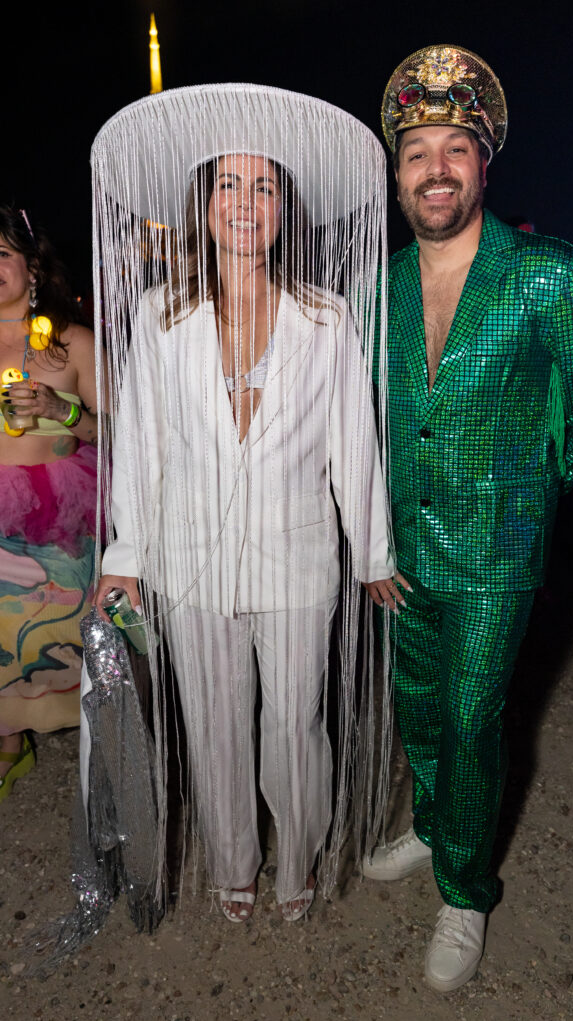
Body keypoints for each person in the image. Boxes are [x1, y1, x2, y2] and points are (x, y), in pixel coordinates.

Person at [363, 45, 573, 992]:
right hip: (402, 551)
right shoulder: (385, 285)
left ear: (484, 165)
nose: (434, 168)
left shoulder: (543, 274)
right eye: (415, 153)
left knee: (476, 716)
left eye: (454, 148)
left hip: (496, 556)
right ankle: (438, 829)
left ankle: (467, 889)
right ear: (397, 174)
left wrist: (533, 489)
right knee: (419, 713)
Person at [90, 86, 401, 925]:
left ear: (282, 209)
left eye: (263, 187)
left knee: (295, 725)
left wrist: (371, 554)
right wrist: (124, 558)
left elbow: (353, 445)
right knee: (214, 725)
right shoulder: (160, 316)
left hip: (298, 558)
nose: (244, 202)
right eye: (228, 184)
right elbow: (144, 450)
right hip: (188, 561)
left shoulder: (325, 318)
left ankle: (296, 862)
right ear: (203, 202)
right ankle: (235, 862)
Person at [0, 205, 99, 801]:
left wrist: (58, 411)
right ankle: (8, 745)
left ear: (32, 268)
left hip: (56, 509)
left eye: (1, 255)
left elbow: (118, 428)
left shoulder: (72, 343)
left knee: (46, 630)